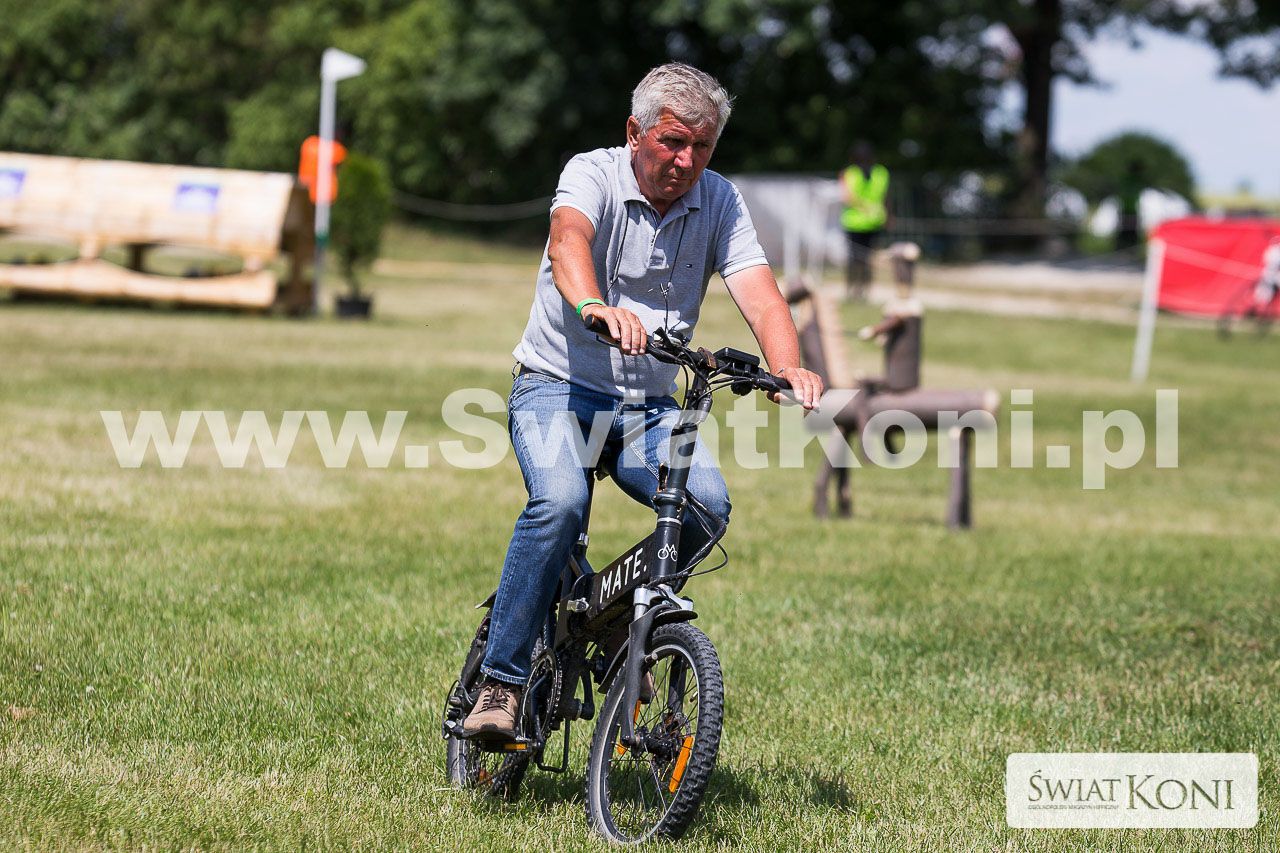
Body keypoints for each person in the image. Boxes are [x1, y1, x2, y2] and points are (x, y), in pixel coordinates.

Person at [462, 63, 824, 740]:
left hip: (648, 407)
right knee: (560, 503)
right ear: (635, 132)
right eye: (672, 142)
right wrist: (593, 305)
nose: (687, 161)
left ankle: (615, 624)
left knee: (707, 507)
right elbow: (568, 241)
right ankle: (501, 682)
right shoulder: (592, 173)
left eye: (702, 146)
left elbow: (760, 290)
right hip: (555, 386)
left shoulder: (719, 200)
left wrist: (788, 367)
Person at [839, 141, 890, 301]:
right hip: (872, 221)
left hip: (855, 222)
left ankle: (853, 290)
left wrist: (862, 207)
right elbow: (885, 197)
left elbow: (846, 197)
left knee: (855, 259)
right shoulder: (881, 173)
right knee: (867, 259)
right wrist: (887, 215)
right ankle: (863, 291)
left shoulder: (849, 173)